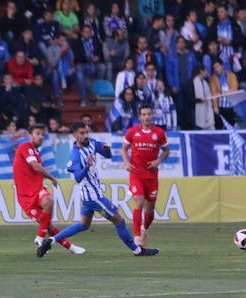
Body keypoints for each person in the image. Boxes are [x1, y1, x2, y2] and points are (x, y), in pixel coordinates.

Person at [37, 122, 158, 257]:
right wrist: (87, 166)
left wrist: (107, 149)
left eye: (87, 132)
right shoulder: (75, 154)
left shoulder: (92, 143)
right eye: (82, 133)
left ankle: (51, 240)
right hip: (93, 196)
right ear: (75, 135)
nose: (86, 135)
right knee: (119, 221)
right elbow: (77, 177)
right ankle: (137, 250)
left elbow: (107, 155)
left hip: (89, 196)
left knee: (84, 224)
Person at [12, 125, 85, 256]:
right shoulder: (25, 147)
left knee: (48, 201)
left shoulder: (36, 153)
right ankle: (71, 247)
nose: (40, 137)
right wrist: (52, 178)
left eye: (42, 135)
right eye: (37, 134)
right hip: (25, 197)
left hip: (37, 189)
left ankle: (40, 237)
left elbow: (35, 167)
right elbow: (35, 167)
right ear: (30, 136)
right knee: (48, 226)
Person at [123, 106, 170, 247]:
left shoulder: (159, 133)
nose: (147, 117)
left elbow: (166, 150)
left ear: (152, 115)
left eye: (149, 114)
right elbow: (124, 149)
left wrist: (158, 160)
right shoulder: (132, 132)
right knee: (139, 202)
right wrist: (126, 162)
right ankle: (137, 236)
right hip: (136, 173)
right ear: (140, 117)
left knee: (150, 210)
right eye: (144, 114)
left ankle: (145, 229)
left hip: (151, 175)